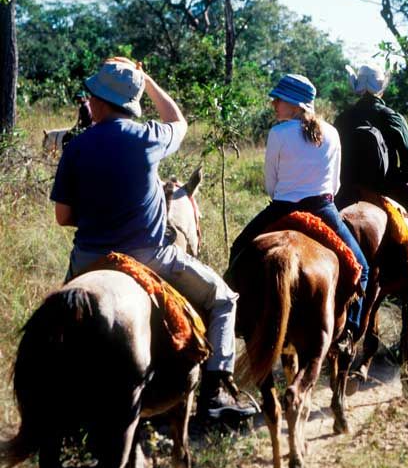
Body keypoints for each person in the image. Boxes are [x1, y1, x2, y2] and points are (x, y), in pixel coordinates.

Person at [50, 57, 256, 422]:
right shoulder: (149, 136)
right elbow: (179, 121)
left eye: (92, 96)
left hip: (89, 260)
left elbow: (63, 217)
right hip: (150, 258)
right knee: (223, 298)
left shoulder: (75, 147)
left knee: (57, 325)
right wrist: (149, 81)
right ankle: (217, 389)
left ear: (98, 101)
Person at [227, 74, 369, 358]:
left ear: (294, 104)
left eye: (278, 99)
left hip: (282, 208)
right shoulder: (332, 132)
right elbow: (336, 185)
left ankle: (240, 320)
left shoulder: (278, 134)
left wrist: (287, 192)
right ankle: (349, 332)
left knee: (238, 251)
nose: (273, 103)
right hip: (323, 209)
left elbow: (271, 184)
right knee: (361, 267)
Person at [333, 64, 408, 295]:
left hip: (343, 188)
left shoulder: (342, 118)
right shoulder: (392, 117)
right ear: (380, 89)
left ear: (357, 87)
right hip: (387, 186)